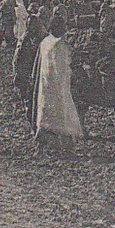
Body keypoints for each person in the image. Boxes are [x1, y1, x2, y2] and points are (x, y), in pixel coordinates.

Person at [32, 15, 84, 148]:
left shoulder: (45, 42)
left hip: (45, 82)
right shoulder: (60, 44)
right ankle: (62, 140)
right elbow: (64, 65)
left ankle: (44, 136)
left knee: (46, 107)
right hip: (58, 82)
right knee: (61, 108)